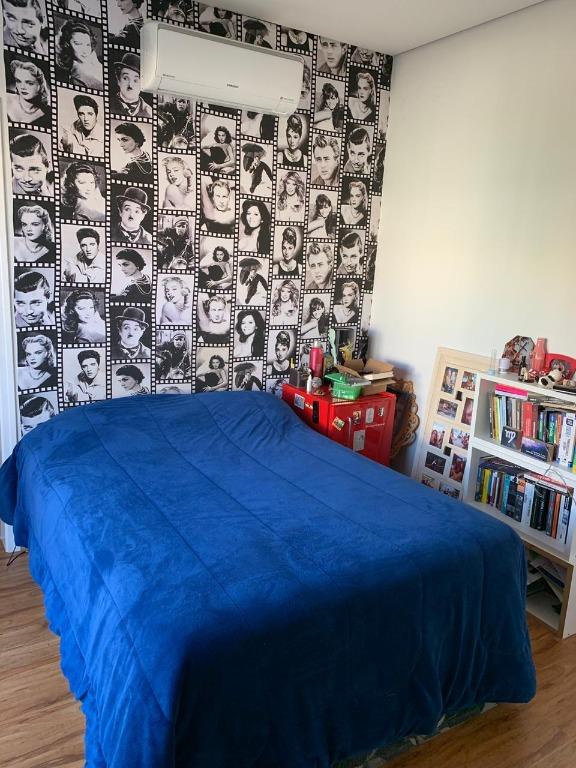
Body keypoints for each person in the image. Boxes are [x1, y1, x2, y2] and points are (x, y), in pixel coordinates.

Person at [55, 20, 103, 90]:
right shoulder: (73, 76)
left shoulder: (95, 62)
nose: (85, 51)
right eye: (78, 44)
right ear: (67, 44)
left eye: (88, 45)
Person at [6, 58, 51, 128]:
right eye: (18, 81)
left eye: (29, 83)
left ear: (40, 85)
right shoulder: (5, 97)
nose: (22, 87)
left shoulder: (47, 114)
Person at [110, 52, 152, 118]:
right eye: (126, 78)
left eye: (135, 80)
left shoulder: (149, 112)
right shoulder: (109, 105)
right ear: (118, 80)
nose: (130, 85)